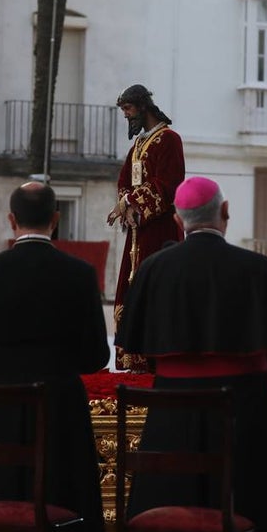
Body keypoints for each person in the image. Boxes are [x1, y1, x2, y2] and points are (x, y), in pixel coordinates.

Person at [117, 176, 267, 532]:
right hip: (246, 414)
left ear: (179, 220)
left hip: (171, 418)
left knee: (167, 513)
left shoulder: (152, 270)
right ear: (225, 212)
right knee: (254, 509)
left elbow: (138, 349)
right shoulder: (257, 268)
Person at [0, 181, 111, 532]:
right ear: (56, 221)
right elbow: (96, 355)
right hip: (62, 409)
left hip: (0, 408)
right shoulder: (79, 274)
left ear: (11, 220)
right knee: (65, 496)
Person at [108, 84, 186, 372]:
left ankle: (157, 354)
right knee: (131, 286)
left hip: (160, 230)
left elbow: (169, 184)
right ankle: (134, 354)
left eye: (128, 109)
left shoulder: (170, 140)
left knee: (155, 287)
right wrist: (125, 204)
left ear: (142, 107)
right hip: (137, 232)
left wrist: (132, 202)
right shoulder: (138, 145)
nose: (127, 116)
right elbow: (124, 181)